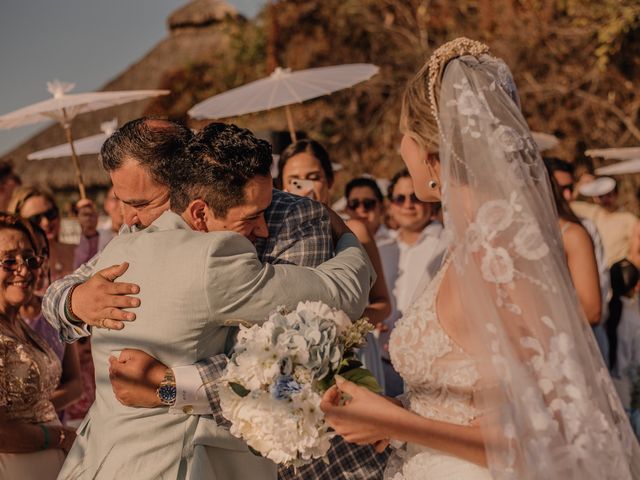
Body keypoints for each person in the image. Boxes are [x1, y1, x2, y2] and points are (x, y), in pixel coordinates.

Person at [320, 37, 640, 479]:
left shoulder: (500, 251)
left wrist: (392, 421)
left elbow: (550, 432)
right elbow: (471, 402)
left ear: (428, 150)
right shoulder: (469, 246)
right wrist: (388, 411)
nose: (399, 149)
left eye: (403, 137)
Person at [44, 119, 388, 480]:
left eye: (142, 202)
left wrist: (171, 385)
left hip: (288, 457)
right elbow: (55, 298)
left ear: (185, 181)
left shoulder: (294, 219)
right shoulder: (137, 235)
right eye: (124, 203)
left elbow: (297, 353)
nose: (129, 219)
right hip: (147, 458)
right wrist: (74, 300)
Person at [277, 140, 391, 391]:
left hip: (350, 354)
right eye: (294, 179)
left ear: (329, 181)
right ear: (282, 186)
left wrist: (343, 326)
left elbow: (383, 303)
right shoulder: (273, 236)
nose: (305, 186)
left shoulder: (356, 230)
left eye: (313, 177)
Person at [0, 215, 76, 479]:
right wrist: (59, 436)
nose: (24, 270)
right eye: (9, 261)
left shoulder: (21, 327)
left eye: (30, 260)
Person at [545, 157, 611, 362]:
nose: (567, 194)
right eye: (560, 187)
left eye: (570, 187)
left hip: (585, 336)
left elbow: (600, 285)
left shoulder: (582, 229)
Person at [9, 186, 75, 281]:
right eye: (35, 219)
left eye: (50, 214)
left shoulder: (78, 250)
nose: (46, 222)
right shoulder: (15, 266)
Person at [573, 176, 640, 268]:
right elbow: (565, 205)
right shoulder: (592, 213)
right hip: (595, 271)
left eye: (609, 195)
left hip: (620, 274)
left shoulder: (628, 219)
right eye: (601, 196)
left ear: (616, 194)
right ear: (594, 197)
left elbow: (635, 253)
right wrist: (578, 187)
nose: (605, 199)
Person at [607, 260, 640, 410]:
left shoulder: (603, 312)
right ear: (636, 285)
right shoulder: (635, 319)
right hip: (627, 395)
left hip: (607, 387)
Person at [73, 186, 123, 268]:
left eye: (124, 199)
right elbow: (82, 269)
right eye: (116, 199)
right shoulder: (96, 236)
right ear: (106, 204)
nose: (121, 204)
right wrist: (88, 233)